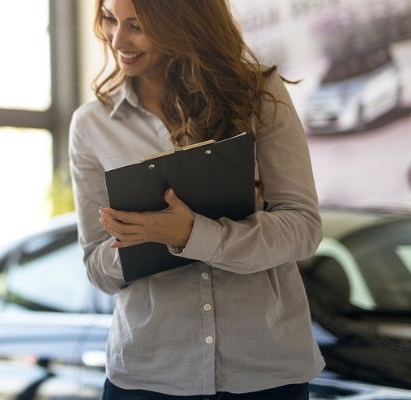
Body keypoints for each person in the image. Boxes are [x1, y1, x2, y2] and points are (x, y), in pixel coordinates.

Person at [69, 0, 324, 398]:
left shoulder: (258, 95)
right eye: (109, 19)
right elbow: (97, 268)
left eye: (136, 25)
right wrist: (141, 237)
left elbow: (303, 227)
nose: (117, 40)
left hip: (265, 372)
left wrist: (193, 233)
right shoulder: (91, 124)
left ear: (182, 21)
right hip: (148, 376)